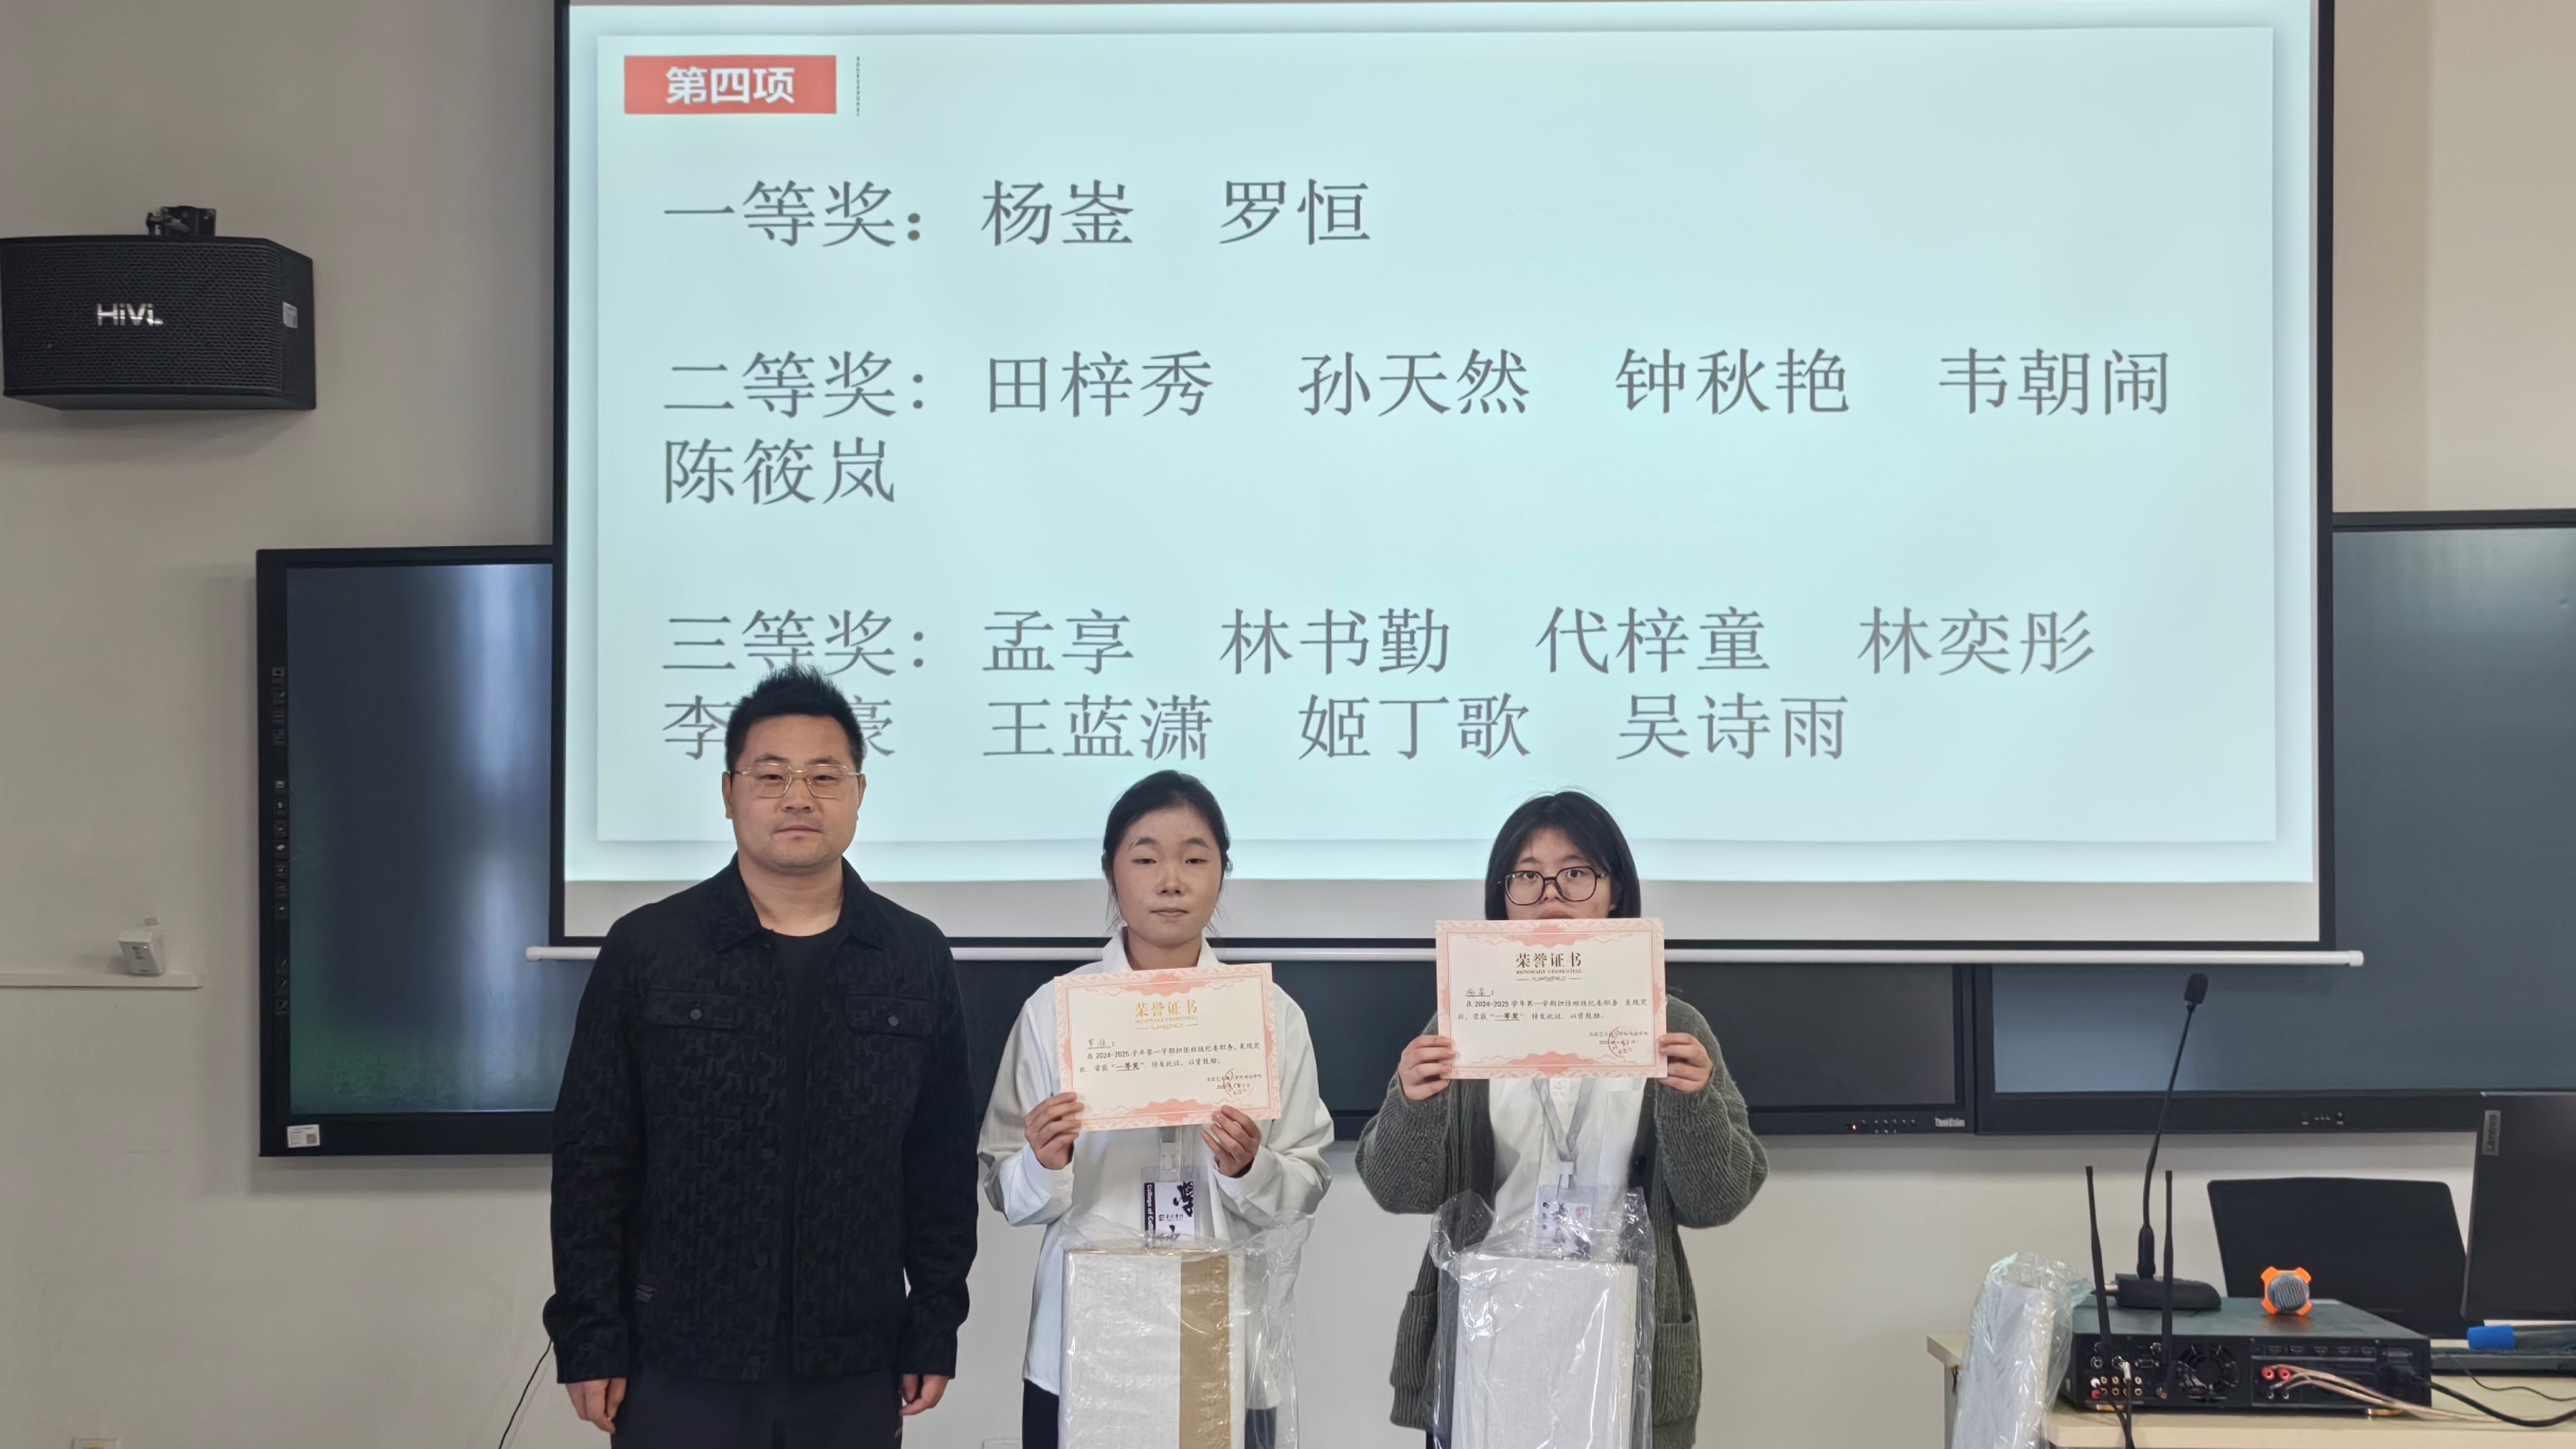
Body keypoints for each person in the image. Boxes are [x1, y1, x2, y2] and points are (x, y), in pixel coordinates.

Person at [545, 666, 979, 1448]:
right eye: (771, 775)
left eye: (824, 776)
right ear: (728, 791)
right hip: (677, 1355)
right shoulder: (650, 949)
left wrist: (934, 1323)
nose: (798, 797)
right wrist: (590, 1334)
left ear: (858, 792)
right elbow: (593, 1158)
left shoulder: (913, 956)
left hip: (853, 1358)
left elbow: (939, 1165)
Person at [1357, 790, 1768, 1449]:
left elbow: (1717, 1198)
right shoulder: (1465, 1019)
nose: (1550, 896)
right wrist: (1412, 1102)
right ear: (1502, 898)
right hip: (1486, 1328)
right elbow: (1396, 1189)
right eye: (1527, 875)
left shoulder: (1672, 1025)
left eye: (1576, 873)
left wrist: (1693, 1103)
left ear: (1614, 891)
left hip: (1623, 1332)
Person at [979, 771, 1334, 1449]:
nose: (1171, 881)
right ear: (1110, 872)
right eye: (1145, 859)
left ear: (1222, 873)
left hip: (1222, 1332)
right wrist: (1044, 1161)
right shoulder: (1055, 1011)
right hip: (1082, 1336)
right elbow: (1006, 1189)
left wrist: (1249, 1167)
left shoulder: (1269, 1015)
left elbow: (1305, 1183)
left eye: (1194, 859)